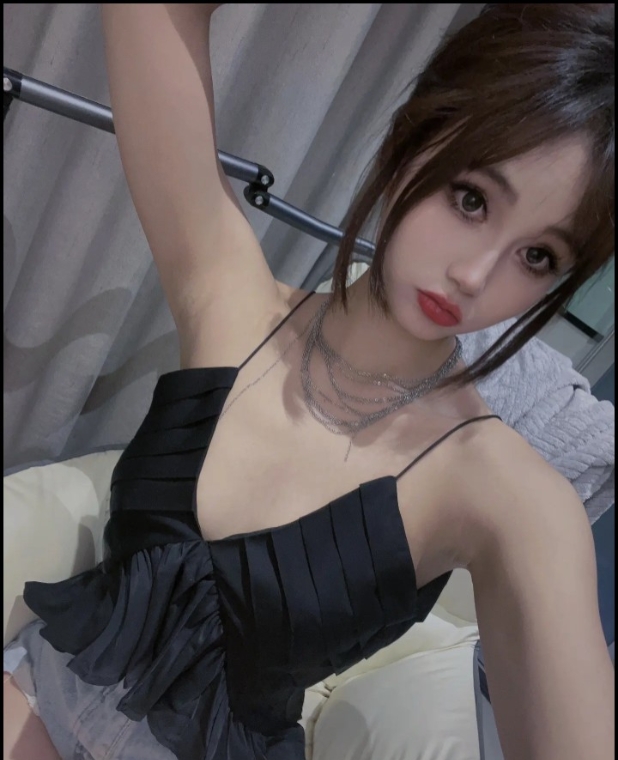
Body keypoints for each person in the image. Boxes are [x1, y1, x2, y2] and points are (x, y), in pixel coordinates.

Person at [3, 3, 614, 759]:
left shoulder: (503, 495)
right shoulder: (229, 297)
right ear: (412, 139)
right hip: (38, 692)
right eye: (471, 199)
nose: (474, 274)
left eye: (538, 257)